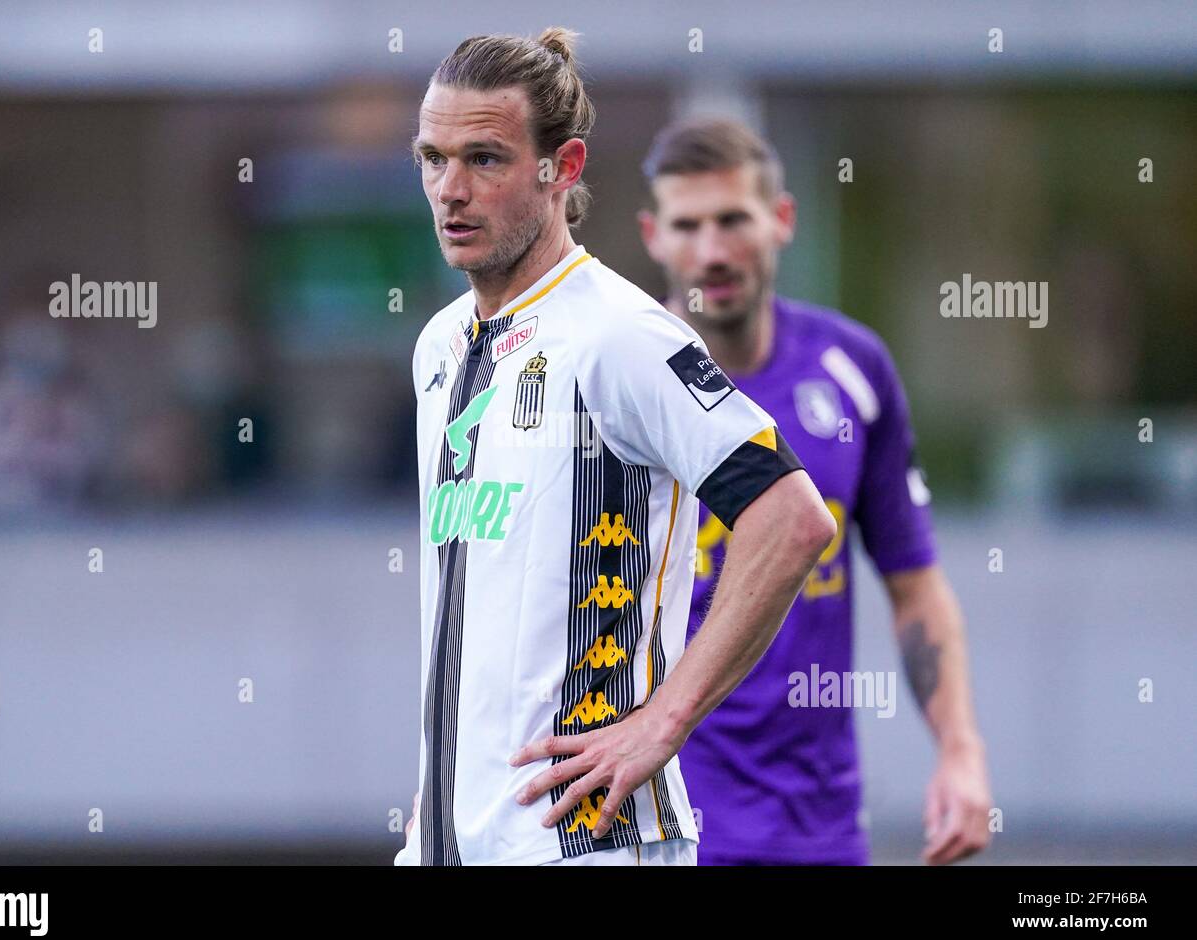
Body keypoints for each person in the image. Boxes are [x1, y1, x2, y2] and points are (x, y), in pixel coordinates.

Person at [396, 29, 836, 866]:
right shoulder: (441, 346)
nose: (450, 190)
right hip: (451, 843)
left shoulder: (618, 335)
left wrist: (661, 725)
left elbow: (791, 518)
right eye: (432, 158)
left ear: (561, 167)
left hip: (587, 842)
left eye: (484, 159)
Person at [638, 117, 992, 865]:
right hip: (661, 822)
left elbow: (915, 586)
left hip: (820, 825)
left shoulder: (852, 369)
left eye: (733, 219)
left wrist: (960, 750)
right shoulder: (620, 384)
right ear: (653, 237)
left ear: (783, 221)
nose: (712, 250)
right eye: (688, 225)